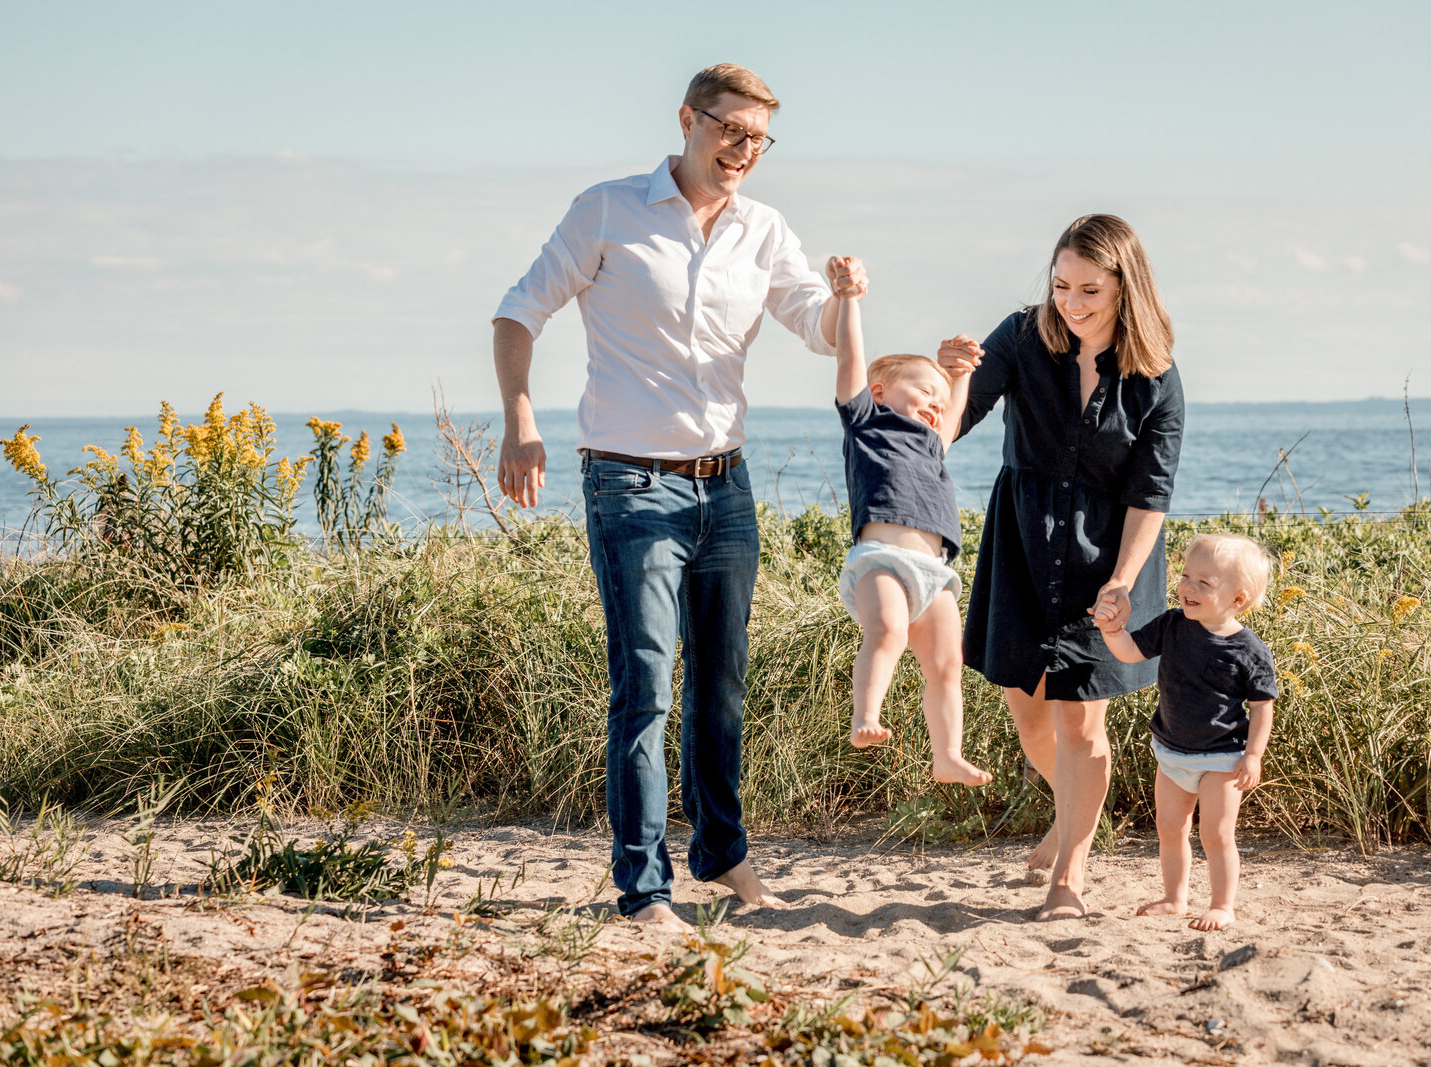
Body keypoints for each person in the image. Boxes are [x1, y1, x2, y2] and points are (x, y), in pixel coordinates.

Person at [491, 64, 868, 932]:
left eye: (757, 139)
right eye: (729, 130)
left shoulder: (764, 230)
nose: (742, 150)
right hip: (629, 481)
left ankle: (722, 851)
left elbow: (812, 323)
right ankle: (644, 887)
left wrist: (847, 301)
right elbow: (519, 312)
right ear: (688, 120)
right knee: (646, 687)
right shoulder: (608, 210)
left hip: (723, 486)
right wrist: (521, 421)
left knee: (723, 686)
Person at [937, 214, 1184, 921]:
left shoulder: (1157, 378)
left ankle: (1069, 877)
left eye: (1089, 291)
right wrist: (949, 377)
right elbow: (950, 424)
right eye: (1061, 285)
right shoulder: (1021, 335)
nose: (1071, 304)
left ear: (1125, 290)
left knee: (1082, 728)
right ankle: (1072, 812)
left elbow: (1150, 497)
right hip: (1022, 547)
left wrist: (1123, 581)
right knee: (1030, 715)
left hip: (1108, 561)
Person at [828, 261, 992, 786]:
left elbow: (954, 415)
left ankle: (947, 755)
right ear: (879, 391)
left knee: (947, 665)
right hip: (883, 560)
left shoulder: (932, 442)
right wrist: (850, 299)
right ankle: (865, 717)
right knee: (887, 630)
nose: (933, 406)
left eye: (938, 403)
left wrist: (959, 378)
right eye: (924, 392)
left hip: (935, 572)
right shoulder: (866, 422)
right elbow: (850, 359)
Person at [1093, 533, 1277, 931]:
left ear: (1238, 599)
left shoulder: (1249, 650)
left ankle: (1222, 905)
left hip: (1222, 758)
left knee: (1216, 834)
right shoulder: (1173, 625)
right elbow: (1130, 651)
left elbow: (1262, 708)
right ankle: (1175, 898)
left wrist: (1253, 756)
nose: (1188, 588)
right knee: (1170, 829)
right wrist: (1111, 631)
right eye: (1186, 575)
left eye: (1204, 583)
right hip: (1172, 751)